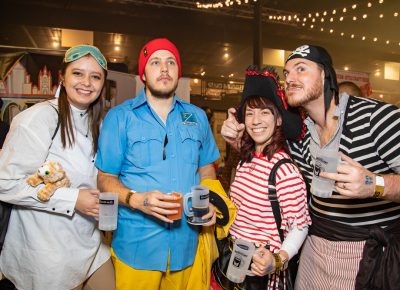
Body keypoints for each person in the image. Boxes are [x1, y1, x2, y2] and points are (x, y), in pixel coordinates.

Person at [221, 45, 400, 290]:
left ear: (325, 74)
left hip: (366, 255)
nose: (290, 79)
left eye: (301, 69)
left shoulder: (375, 118)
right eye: (287, 74)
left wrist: (375, 184)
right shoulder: (300, 136)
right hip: (313, 253)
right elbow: (263, 155)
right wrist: (236, 138)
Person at [95, 38, 220, 290]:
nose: (164, 68)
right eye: (155, 62)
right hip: (136, 250)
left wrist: (209, 204)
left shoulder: (196, 117)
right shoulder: (120, 117)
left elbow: (206, 168)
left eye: (170, 62)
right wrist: (137, 200)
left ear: (178, 71)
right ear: (143, 73)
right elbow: (105, 179)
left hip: (187, 248)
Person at [0, 45, 115, 290]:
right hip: (48, 254)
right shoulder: (38, 119)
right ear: (62, 76)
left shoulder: (100, 124)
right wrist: (72, 199)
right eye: (78, 73)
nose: (87, 82)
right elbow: (5, 184)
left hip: (92, 245)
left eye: (95, 77)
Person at [213, 66, 310, 290]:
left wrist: (277, 260)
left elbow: (300, 227)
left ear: (278, 120)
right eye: (249, 113)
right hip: (233, 260)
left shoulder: (284, 171)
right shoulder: (245, 160)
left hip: (261, 272)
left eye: (265, 112)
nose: (256, 120)